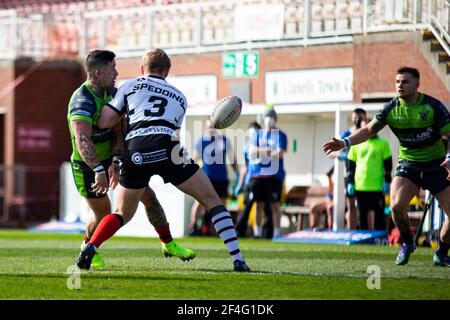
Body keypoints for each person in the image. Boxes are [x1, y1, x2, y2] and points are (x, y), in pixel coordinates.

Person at [76, 48, 250, 272]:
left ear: (142, 69)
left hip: (136, 149)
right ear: (167, 71)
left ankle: (90, 248)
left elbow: (104, 122)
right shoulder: (180, 97)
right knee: (213, 201)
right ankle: (237, 259)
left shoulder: (130, 85)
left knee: (121, 213)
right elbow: (173, 131)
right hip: (169, 150)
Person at [68, 50, 195, 268]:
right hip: (87, 166)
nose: (116, 73)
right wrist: (99, 169)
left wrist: (116, 161)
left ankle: (168, 243)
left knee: (149, 197)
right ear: (98, 73)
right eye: (112, 69)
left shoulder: (113, 93)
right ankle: (87, 247)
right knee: (103, 214)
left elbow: (119, 131)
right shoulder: (82, 100)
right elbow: (82, 140)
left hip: (112, 160)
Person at [323, 66, 450, 266]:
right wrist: (344, 142)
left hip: (436, 165)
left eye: (405, 81)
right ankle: (407, 243)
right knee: (396, 207)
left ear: (417, 84)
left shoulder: (433, 106)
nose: (400, 85)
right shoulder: (391, 108)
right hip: (410, 164)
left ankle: (442, 253)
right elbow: (368, 129)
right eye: (398, 81)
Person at [189, 119, 238, 236]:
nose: (211, 128)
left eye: (213, 125)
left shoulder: (224, 140)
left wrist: (238, 176)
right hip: (206, 177)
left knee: (221, 205)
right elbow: (193, 160)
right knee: (199, 202)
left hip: (222, 177)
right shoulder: (201, 141)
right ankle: (193, 227)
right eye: (209, 125)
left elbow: (233, 160)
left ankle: (217, 231)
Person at [248, 107, 288, 239]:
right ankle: (257, 233)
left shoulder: (281, 135)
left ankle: (277, 233)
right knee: (258, 204)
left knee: (275, 205)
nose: (269, 120)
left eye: (271, 117)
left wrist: (263, 152)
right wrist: (268, 150)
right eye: (267, 117)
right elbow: (252, 150)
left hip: (274, 176)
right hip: (258, 175)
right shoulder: (257, 134)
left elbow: (280, 153)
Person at [346, 130, 393, 230]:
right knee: (362, 215)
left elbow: (388, 165)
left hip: (377, 187)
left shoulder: (383, 143)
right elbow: (350, 165)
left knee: (379, 215)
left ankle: (379, 239)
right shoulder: (356, 144)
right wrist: (350, 182)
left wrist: (387, 181)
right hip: (360, 186)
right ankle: (363, 240)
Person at [234, 121, 273, 238]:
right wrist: (240, 184)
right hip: (250, 181)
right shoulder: (246, 146)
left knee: (261, 207)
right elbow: (244, 167)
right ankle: (239, 231)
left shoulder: (262, 144)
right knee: (247, 207)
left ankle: (259, 233)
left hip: (263, 180)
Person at [338, 108, 367, 229]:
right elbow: (339, 153)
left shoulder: (368, 133)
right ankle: (351, 230)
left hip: (366, 174)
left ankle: (364, 231)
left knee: (364, 206)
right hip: (350, 173)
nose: (357, 120)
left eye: (360, 118)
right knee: (351, 205)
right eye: (355, 117)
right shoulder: (346, 134)